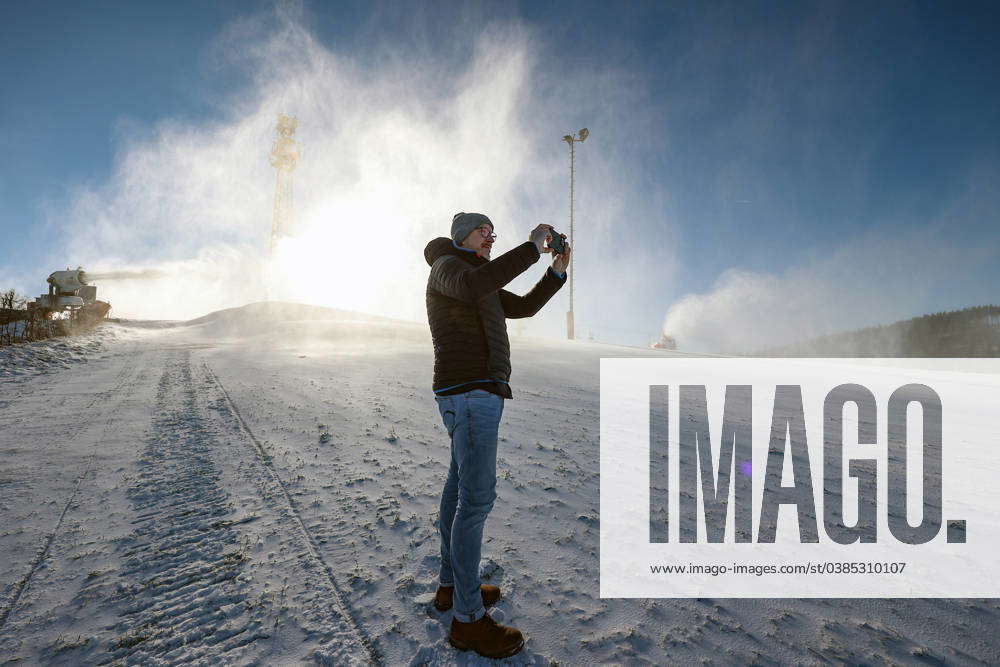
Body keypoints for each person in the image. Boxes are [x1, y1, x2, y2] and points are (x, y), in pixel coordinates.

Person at [423, 212, 570, 658]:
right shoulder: (449, 268)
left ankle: (452, 588)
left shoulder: (476, 278)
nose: (490, 238)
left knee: (458, 489)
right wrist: (529, 248)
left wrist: (554, 271)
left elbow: (521, 306)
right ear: (462, 236)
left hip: (474, 392)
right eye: (483, 232)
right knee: (476, 500)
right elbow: (471, 287)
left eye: (493, 233)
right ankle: (468, 622)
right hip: (469, 393)